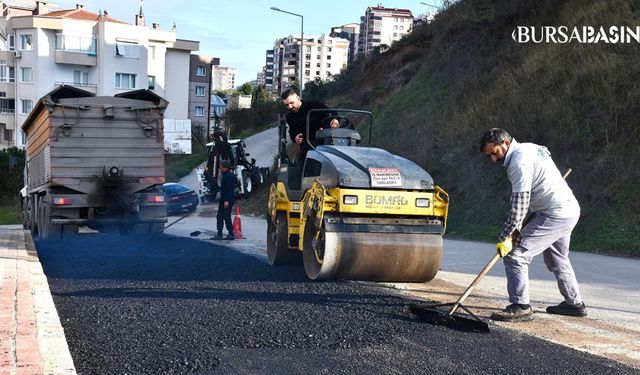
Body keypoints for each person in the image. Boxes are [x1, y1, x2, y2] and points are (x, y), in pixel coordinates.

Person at [479, 128, 587, 322]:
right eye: (489, 156)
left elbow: (519, 205)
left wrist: (507, 236)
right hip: (568, 209)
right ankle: (574, 304)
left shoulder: (518, 163)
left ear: (504, 143)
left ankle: (520, 306)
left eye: (494, 152)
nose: (493, 159)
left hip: (555, 213)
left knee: (515, 254)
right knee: (557, 258)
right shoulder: (531, 148)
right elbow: (546, 155)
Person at [280, 88, 338, 163]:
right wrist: (296, 138)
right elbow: (292, 133)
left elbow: (332, 113)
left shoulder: (314, 105)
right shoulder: (290, 117)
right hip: (308, 148)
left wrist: (335, 119)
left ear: (298, 98)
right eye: (287, 105)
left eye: (292, 103)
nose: (290, 107)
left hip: (326, 141)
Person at [212, 160, 236, 240]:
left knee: (226, 216)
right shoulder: (225, 175)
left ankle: (231, 234)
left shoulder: (229, 176)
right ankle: (219, 234)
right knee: (220, 216)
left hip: (227, 200)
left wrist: (227, 200)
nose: (219, 167)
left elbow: (229, 189)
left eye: (220, 166)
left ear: (224, 167)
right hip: (224, 199)